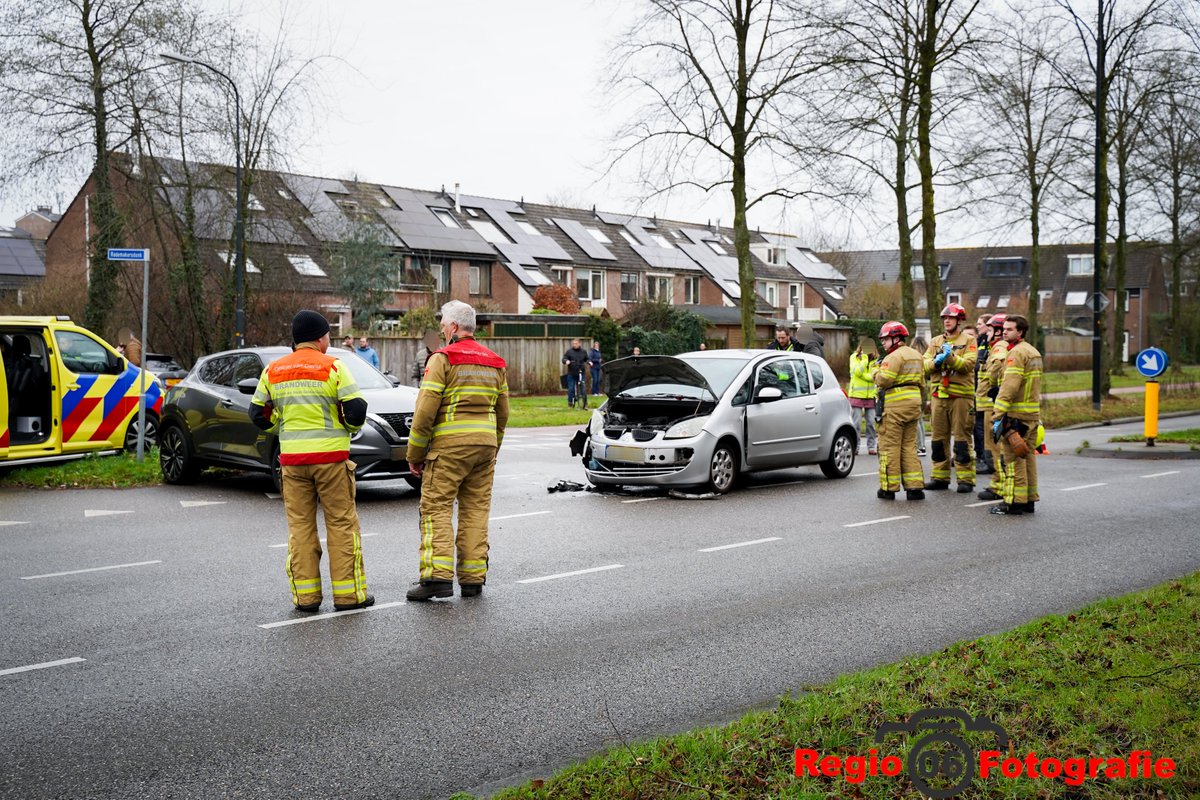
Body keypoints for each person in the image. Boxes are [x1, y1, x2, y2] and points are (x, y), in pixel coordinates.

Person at [249, 310, 373, 613]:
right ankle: (348, 596)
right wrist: (348, 428)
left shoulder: (273, 370)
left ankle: (306, 598)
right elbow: (356, 410)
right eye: (327, 335)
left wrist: (282, 427)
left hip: (292, 462)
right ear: (320, 338)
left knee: (301, 528)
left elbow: (257, 413)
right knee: (341, 525)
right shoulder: (334, 367)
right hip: (331, 461)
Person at [406, 300, 509, 600]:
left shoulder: (442, 359)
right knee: (475, 510)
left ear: (452, 327)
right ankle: (472, 579)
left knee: (436, 508)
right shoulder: (495, 362)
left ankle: (436, 577)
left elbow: (425, 411)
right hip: (484, 448)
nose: (441, 332)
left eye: (442, 327)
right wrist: (492, 447)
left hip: (448, 449)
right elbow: (503, 413)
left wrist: (415, 455)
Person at [922, 302, 978, 493]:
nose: (947, 321)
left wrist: (950, 357)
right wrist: (936, 363)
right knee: (938, 440)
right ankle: (940, 477)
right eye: (945, 318)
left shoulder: (969, 340)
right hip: (939, 395)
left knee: (962, 439)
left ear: (959, 320)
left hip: (960, 396)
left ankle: (965, 479)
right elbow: (924, 364)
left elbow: (968, 365)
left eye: (951, 318)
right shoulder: (935, 341)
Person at [990, 314, 1042, 516]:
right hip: (1031, 414)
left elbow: (1009, 386)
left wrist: (998, 414)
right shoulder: (1033, 351)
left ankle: (1013, 502)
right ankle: (1029, 500)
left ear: (1020, 331)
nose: (1004, 332)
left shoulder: (1016, 353)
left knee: (1012, 460)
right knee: (1027, 457)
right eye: (1003, 329)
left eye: (1009, 329)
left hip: (1015, 416)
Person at [874, 321, 925, 500]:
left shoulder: (893, 357)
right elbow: (922, 383)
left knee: (890, 447)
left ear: (896, 339)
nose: (883, 343)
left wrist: (875, 370)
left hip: (894, 409)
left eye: (886, 339)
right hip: (913, 406)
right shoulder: (917, 355)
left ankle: (889, 488)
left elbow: (884, 381)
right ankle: (915, 488)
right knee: (909, 447)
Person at [977, 314, 1008, 501]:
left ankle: (999, 486)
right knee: (993, 447)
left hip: (992, 406)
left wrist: (993, 384)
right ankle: (999, 483)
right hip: (988, 405)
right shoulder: (993, 347)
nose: (986, 334)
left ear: (997, 331)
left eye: (989, 330)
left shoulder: (999, 348)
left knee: (996, 448)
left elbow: (997, 368)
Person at [848, 336, 878, 455]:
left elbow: (875, 376)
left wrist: (864, 376)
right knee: (856, 424)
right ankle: (855, 446)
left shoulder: (876, 360)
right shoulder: (854, 357)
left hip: (871, 396)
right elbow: (856, 372)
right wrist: (864, 359)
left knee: (871, 423)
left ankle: (871, 446)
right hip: (856, 395)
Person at [973, 315, 994, 474]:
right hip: (980, 393)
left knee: (986, 431)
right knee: (978, 429)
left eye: (980, 324)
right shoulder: (981, 342)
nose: (977, 326)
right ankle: (982, 458)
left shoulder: (990, 344)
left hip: (989, 396)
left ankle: (988, 461)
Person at [911, 337, 930, 457]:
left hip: (916, 389)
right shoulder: (926, 357)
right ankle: (922, 444)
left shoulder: (914, 358)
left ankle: (919, 446)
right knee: (920, 418)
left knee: (916, 419)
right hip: (924, 390)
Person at [562, 338, 589, 408]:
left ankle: (585, 403)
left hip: (581, 372)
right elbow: (564, 359)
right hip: (571, 373)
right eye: (573, 343)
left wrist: (590, 362)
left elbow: (587, 359)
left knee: (583, 388)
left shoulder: (583, 352)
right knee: (571, 388)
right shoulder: (569, 351)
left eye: (576, 343)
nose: (574, 345)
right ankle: (570, 403)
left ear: (579, 344)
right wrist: (566, 361)